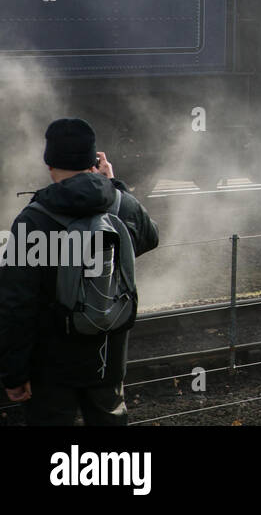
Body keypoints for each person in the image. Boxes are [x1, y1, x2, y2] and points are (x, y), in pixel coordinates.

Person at [0, 118, 158, 425]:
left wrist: (14, 373)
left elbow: (15, 303)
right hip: (107, 360)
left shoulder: (33, 220)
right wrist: (115, 185)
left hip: (50, 368)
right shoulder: (119, 204)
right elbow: (149, 237)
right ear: (94, 160)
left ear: (49, 163)